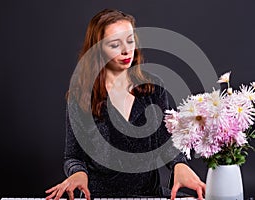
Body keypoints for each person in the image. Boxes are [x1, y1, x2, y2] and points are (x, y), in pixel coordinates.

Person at [45, 8, 206, 200]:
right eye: (115, 44)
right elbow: (73, 156)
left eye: (130, 41)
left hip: (149, 195)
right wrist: (78, 173)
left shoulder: (153, 88)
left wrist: (180, 165)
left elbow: (166, 144)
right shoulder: (81, 96)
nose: (126, 50)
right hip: (97, 197)